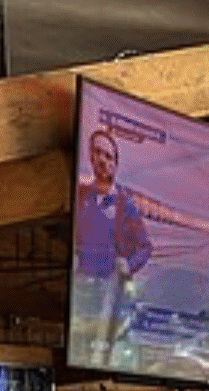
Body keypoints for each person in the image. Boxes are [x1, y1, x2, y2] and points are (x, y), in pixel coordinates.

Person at [73, 129, 152, 363]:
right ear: (90, 156)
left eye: (108, 156)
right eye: (97, 153)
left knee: (106, 354)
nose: (102, 160)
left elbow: (145, 247)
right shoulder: (80, 196)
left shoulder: (124, 205)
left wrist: (128, 265)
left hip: (109, 292)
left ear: (116, 163)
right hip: (81, 289)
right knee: (81, 351)